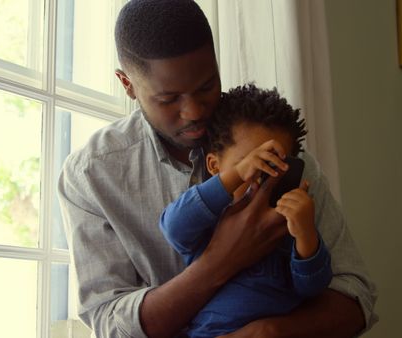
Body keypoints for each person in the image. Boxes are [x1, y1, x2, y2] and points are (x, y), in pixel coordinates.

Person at [57, 1, 377, 337]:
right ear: (127, 85)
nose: (194, 111)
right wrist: (220, 261)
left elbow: (356, 296)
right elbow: (112, 326)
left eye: (206, 86)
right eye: (169, 99)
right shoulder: (90, 176)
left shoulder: (275, 151)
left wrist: (269, 332)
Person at [160, 85, 333, 337]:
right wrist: (236, 176)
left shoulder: (286, 222)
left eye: (273, 165)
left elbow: (313, 288)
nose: (258, 177)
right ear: (214, 165)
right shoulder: (210, 218)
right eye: (250, 163)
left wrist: (306, 235)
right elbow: (172, 227)